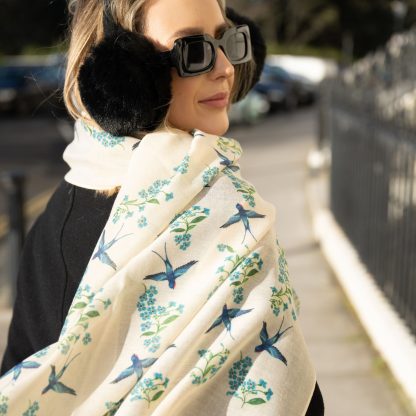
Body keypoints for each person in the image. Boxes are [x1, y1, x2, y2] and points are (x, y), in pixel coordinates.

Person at [0, 0, 324, 414]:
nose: (225, 68)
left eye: (228, 40)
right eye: (193, 50)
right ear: (124, 74)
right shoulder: (231, 217)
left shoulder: (53, 220)